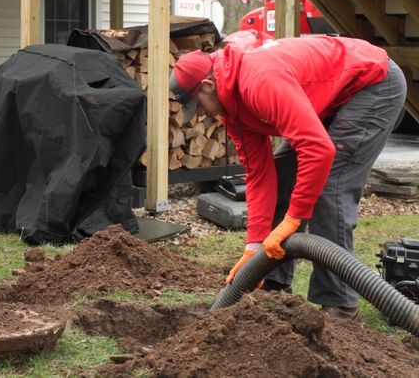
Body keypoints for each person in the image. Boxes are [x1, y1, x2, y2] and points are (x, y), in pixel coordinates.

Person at [169, 36, 406, 318]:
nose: (202, 115)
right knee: (283, 177)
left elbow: (318, 150)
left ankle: (340, 304)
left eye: (199, 106)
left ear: (208, 86)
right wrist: (254, 246)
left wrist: (293, 218)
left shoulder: (259, 82)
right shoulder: (231, 108)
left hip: (372, 85)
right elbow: (259, 175)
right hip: (332, 96)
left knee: (330, 184)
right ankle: (273, 282)